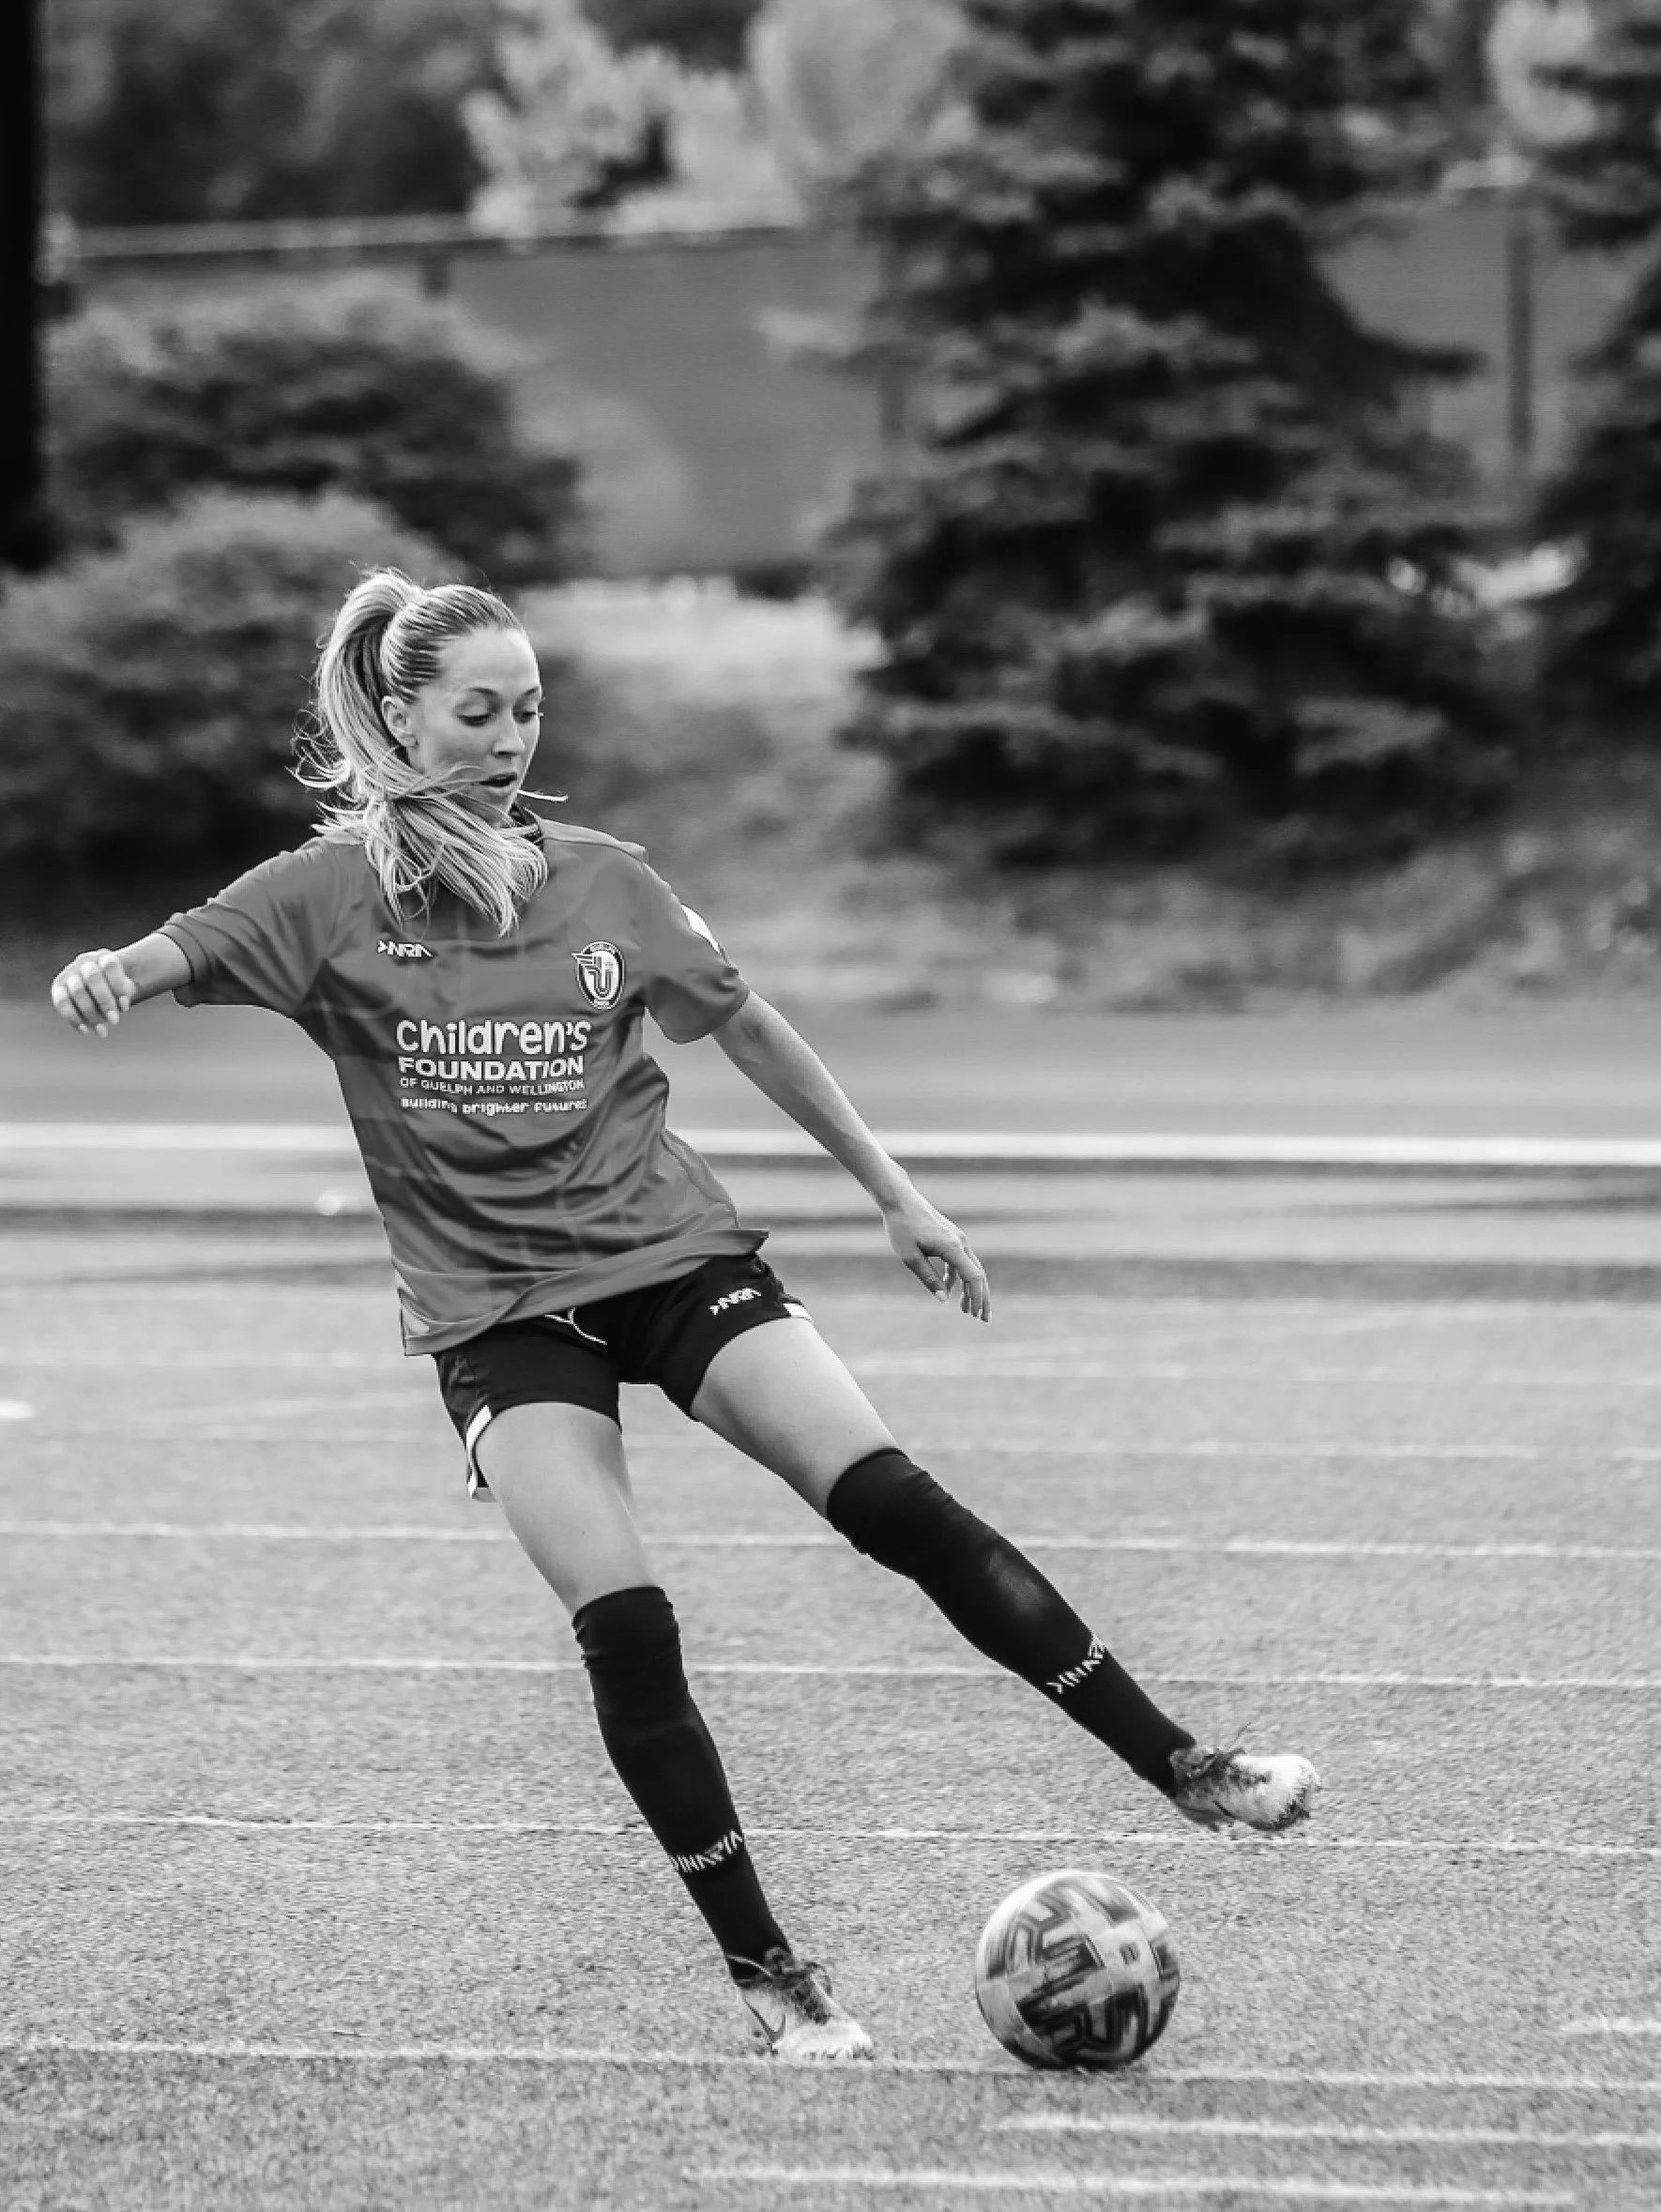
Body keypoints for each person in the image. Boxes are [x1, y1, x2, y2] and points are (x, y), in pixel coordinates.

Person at [50, 571, 1320, 2064]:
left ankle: (1189, 1769)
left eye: (528, 707)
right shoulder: (323, 897)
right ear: (398, 717)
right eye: (477, 710)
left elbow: (754, 1027)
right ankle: (776, 1981)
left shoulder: (603, 879)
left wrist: (896, 1195)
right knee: (630, 1627)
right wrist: (106, 974)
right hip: (500, 1319)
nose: (511, 735)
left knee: (896, 1503)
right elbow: (171, 951)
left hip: (668, 1261)